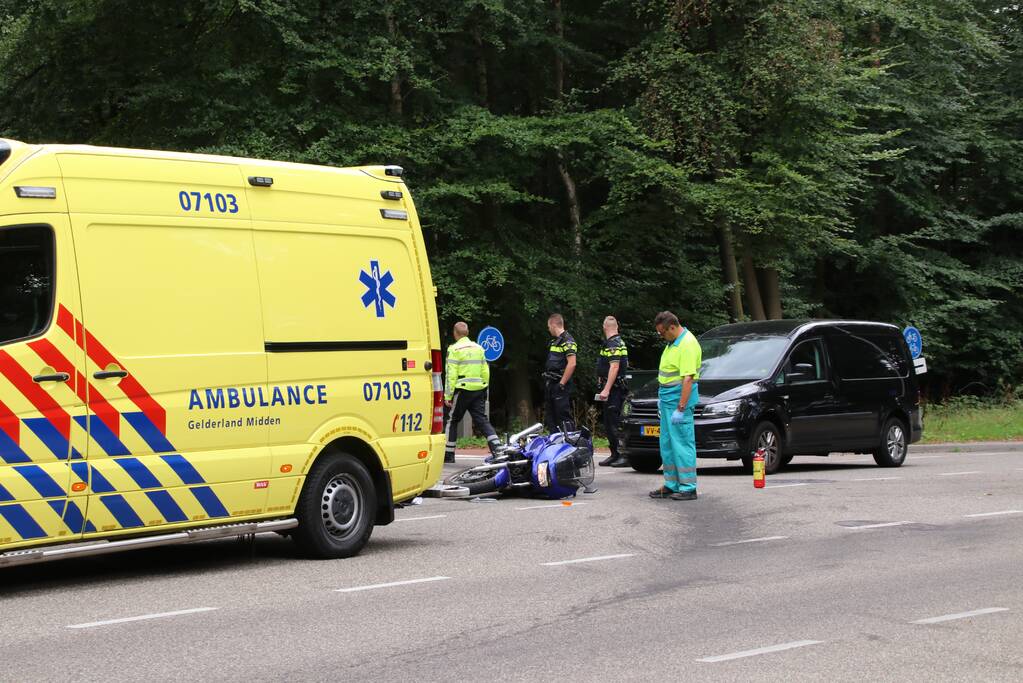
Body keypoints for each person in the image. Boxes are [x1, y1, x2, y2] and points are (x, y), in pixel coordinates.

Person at [650, 311, 702, 501]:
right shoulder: (673, 343)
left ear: (672, 327)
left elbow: (688, 379)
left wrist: (681, 408)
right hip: (667, 400)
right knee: (667, 444)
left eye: (662, 332)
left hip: (678, 401)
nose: (661, 336)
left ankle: (688, 487)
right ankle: (671, 484)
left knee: (682, 444)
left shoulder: (687, 344)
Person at [444, 322, 501, 463]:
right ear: (467, 332)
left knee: (452, 420)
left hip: (462, 390)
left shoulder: (454, 349)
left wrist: (448, 396)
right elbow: (485, 371)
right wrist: (484, 388)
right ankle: (497, 449)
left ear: (455, 333)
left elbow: (451, 375)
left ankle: (449, 454)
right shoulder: (479, 348)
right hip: (478, 389)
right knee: (482, 420)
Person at [596, 316, 630, 467]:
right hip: (614, 388)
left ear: (605, 327)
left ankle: (623, 455)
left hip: (614, 389)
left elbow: (614, 367)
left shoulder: (613, 343)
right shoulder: (616, 342)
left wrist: (606, 389)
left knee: (615, 422)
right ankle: (614, 453)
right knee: (609, 422)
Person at [543, 313, 577, 432]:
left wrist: (562, 383)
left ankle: (570, 440)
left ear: (553, 325)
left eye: (549, 327)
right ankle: (555, 441)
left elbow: (572, 363)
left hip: (560, 384)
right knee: (551, 418)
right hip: (551, 383)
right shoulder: (555, 341)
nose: (548, 329)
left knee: (563, 416)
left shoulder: (568, 341)